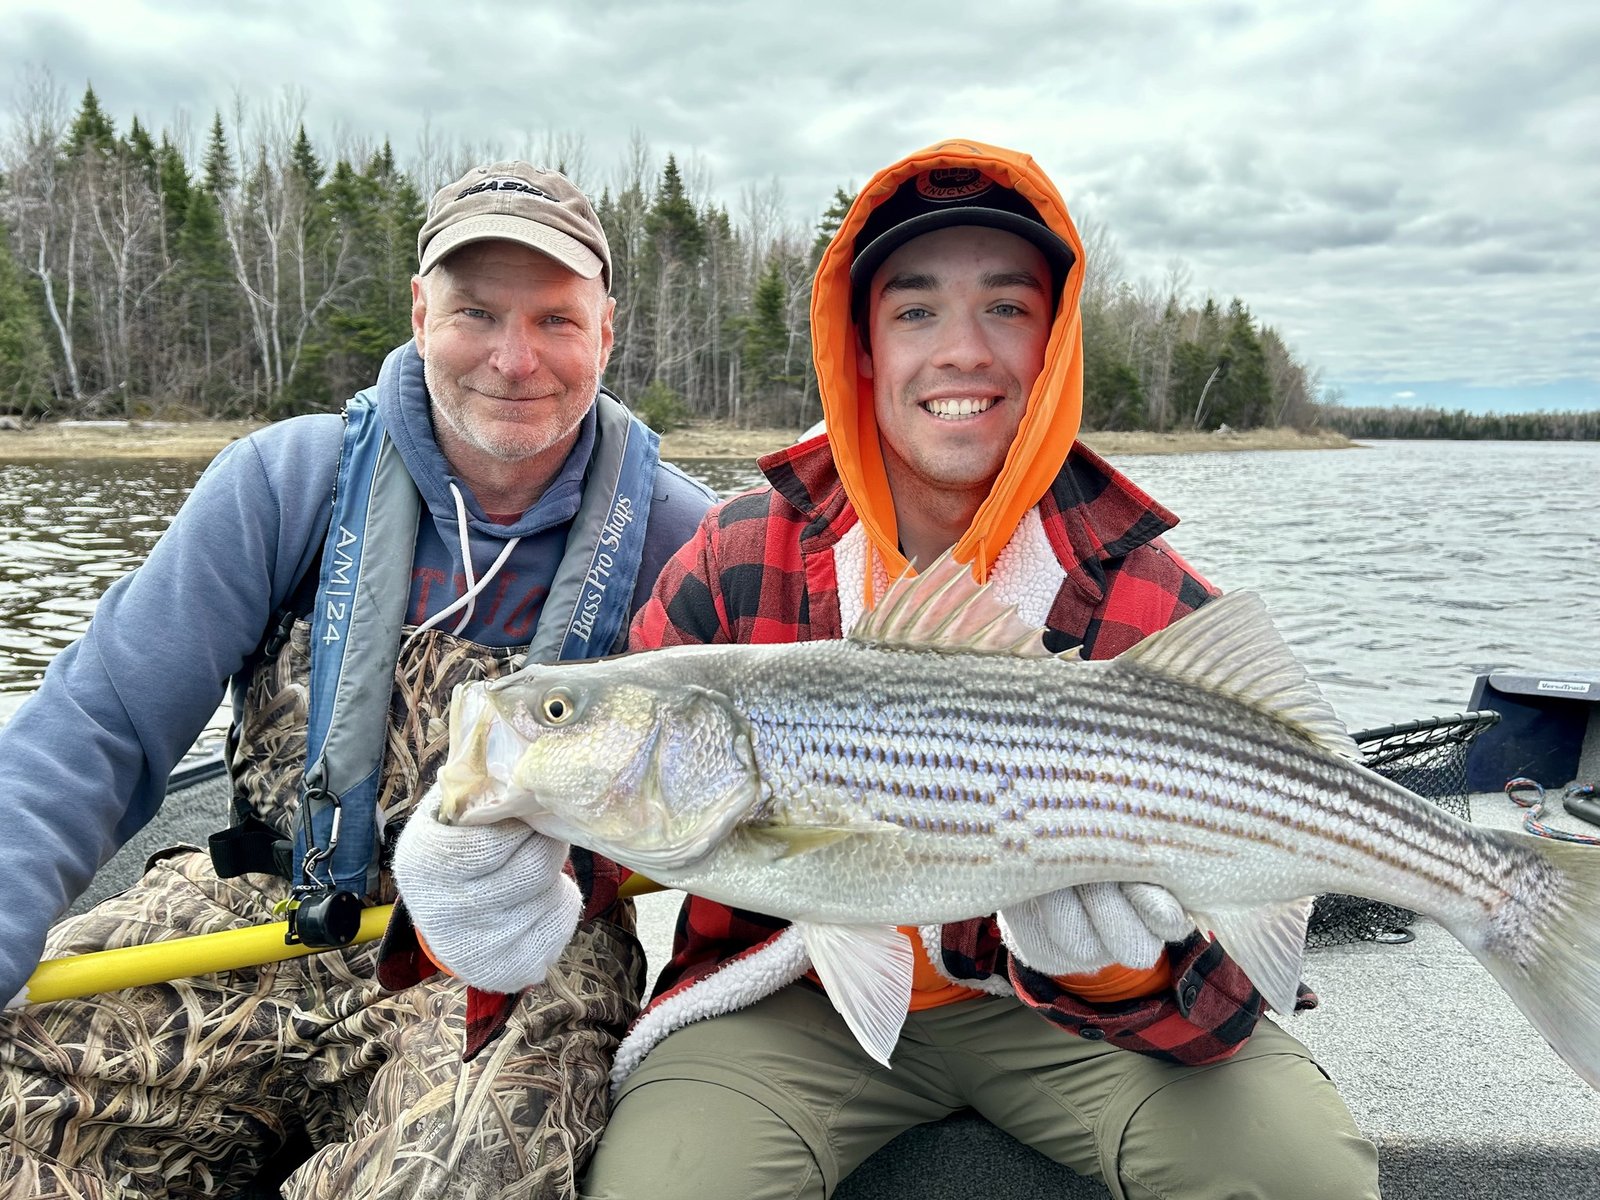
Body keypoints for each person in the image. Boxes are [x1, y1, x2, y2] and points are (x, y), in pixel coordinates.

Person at [401, 139, 1381, 1199]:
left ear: (1054, 344)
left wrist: (1119, 971)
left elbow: (1237, 976)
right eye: (914, 310)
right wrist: (481, 892)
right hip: (788, 1006)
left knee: (1296, 1172)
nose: (960, 350)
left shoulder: (1149, 591)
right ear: (860, 347)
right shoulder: (732, 559)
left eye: (1005, 307)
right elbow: (596, 850)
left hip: (1071, 1023)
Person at [0, 161, 715, 1199]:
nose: (515, 360)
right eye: (477, 312)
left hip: (516, 946)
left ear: (606, 330)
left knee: (473, 1170)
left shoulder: (685, 539)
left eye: (555, 320)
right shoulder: (282, 483)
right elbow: (98, 724)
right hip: (268, 904)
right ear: (421, 313)